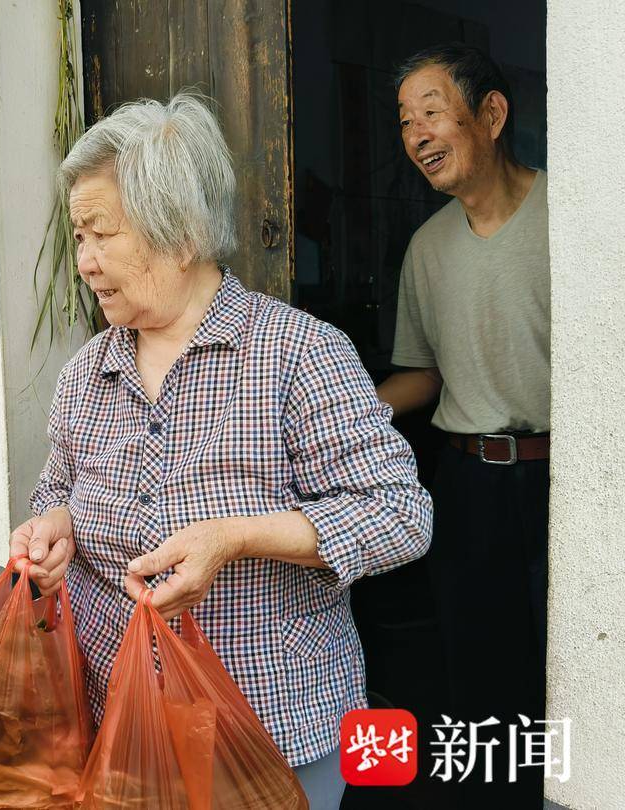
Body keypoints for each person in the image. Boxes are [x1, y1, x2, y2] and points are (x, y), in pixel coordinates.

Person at [11, 92, 433, 809]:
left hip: (273, 732)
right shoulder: (89, 371)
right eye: (78, 238)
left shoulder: (299, 354)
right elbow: (57, 488)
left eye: (100, 234)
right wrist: (55, 527)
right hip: (124, 724)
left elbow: (399, 515)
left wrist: (236, 537)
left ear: (179, 232)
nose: (84, 262)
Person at [376, 43, 549, 806]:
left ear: (491, 113)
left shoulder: (572, 219)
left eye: (432, 111)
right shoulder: (427, 249)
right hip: (470, 482)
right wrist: (352, 410)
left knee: (577, 668)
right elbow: (425, 372)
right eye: (405, 120)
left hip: (569, 478)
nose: (416, 134)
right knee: (479, 672)